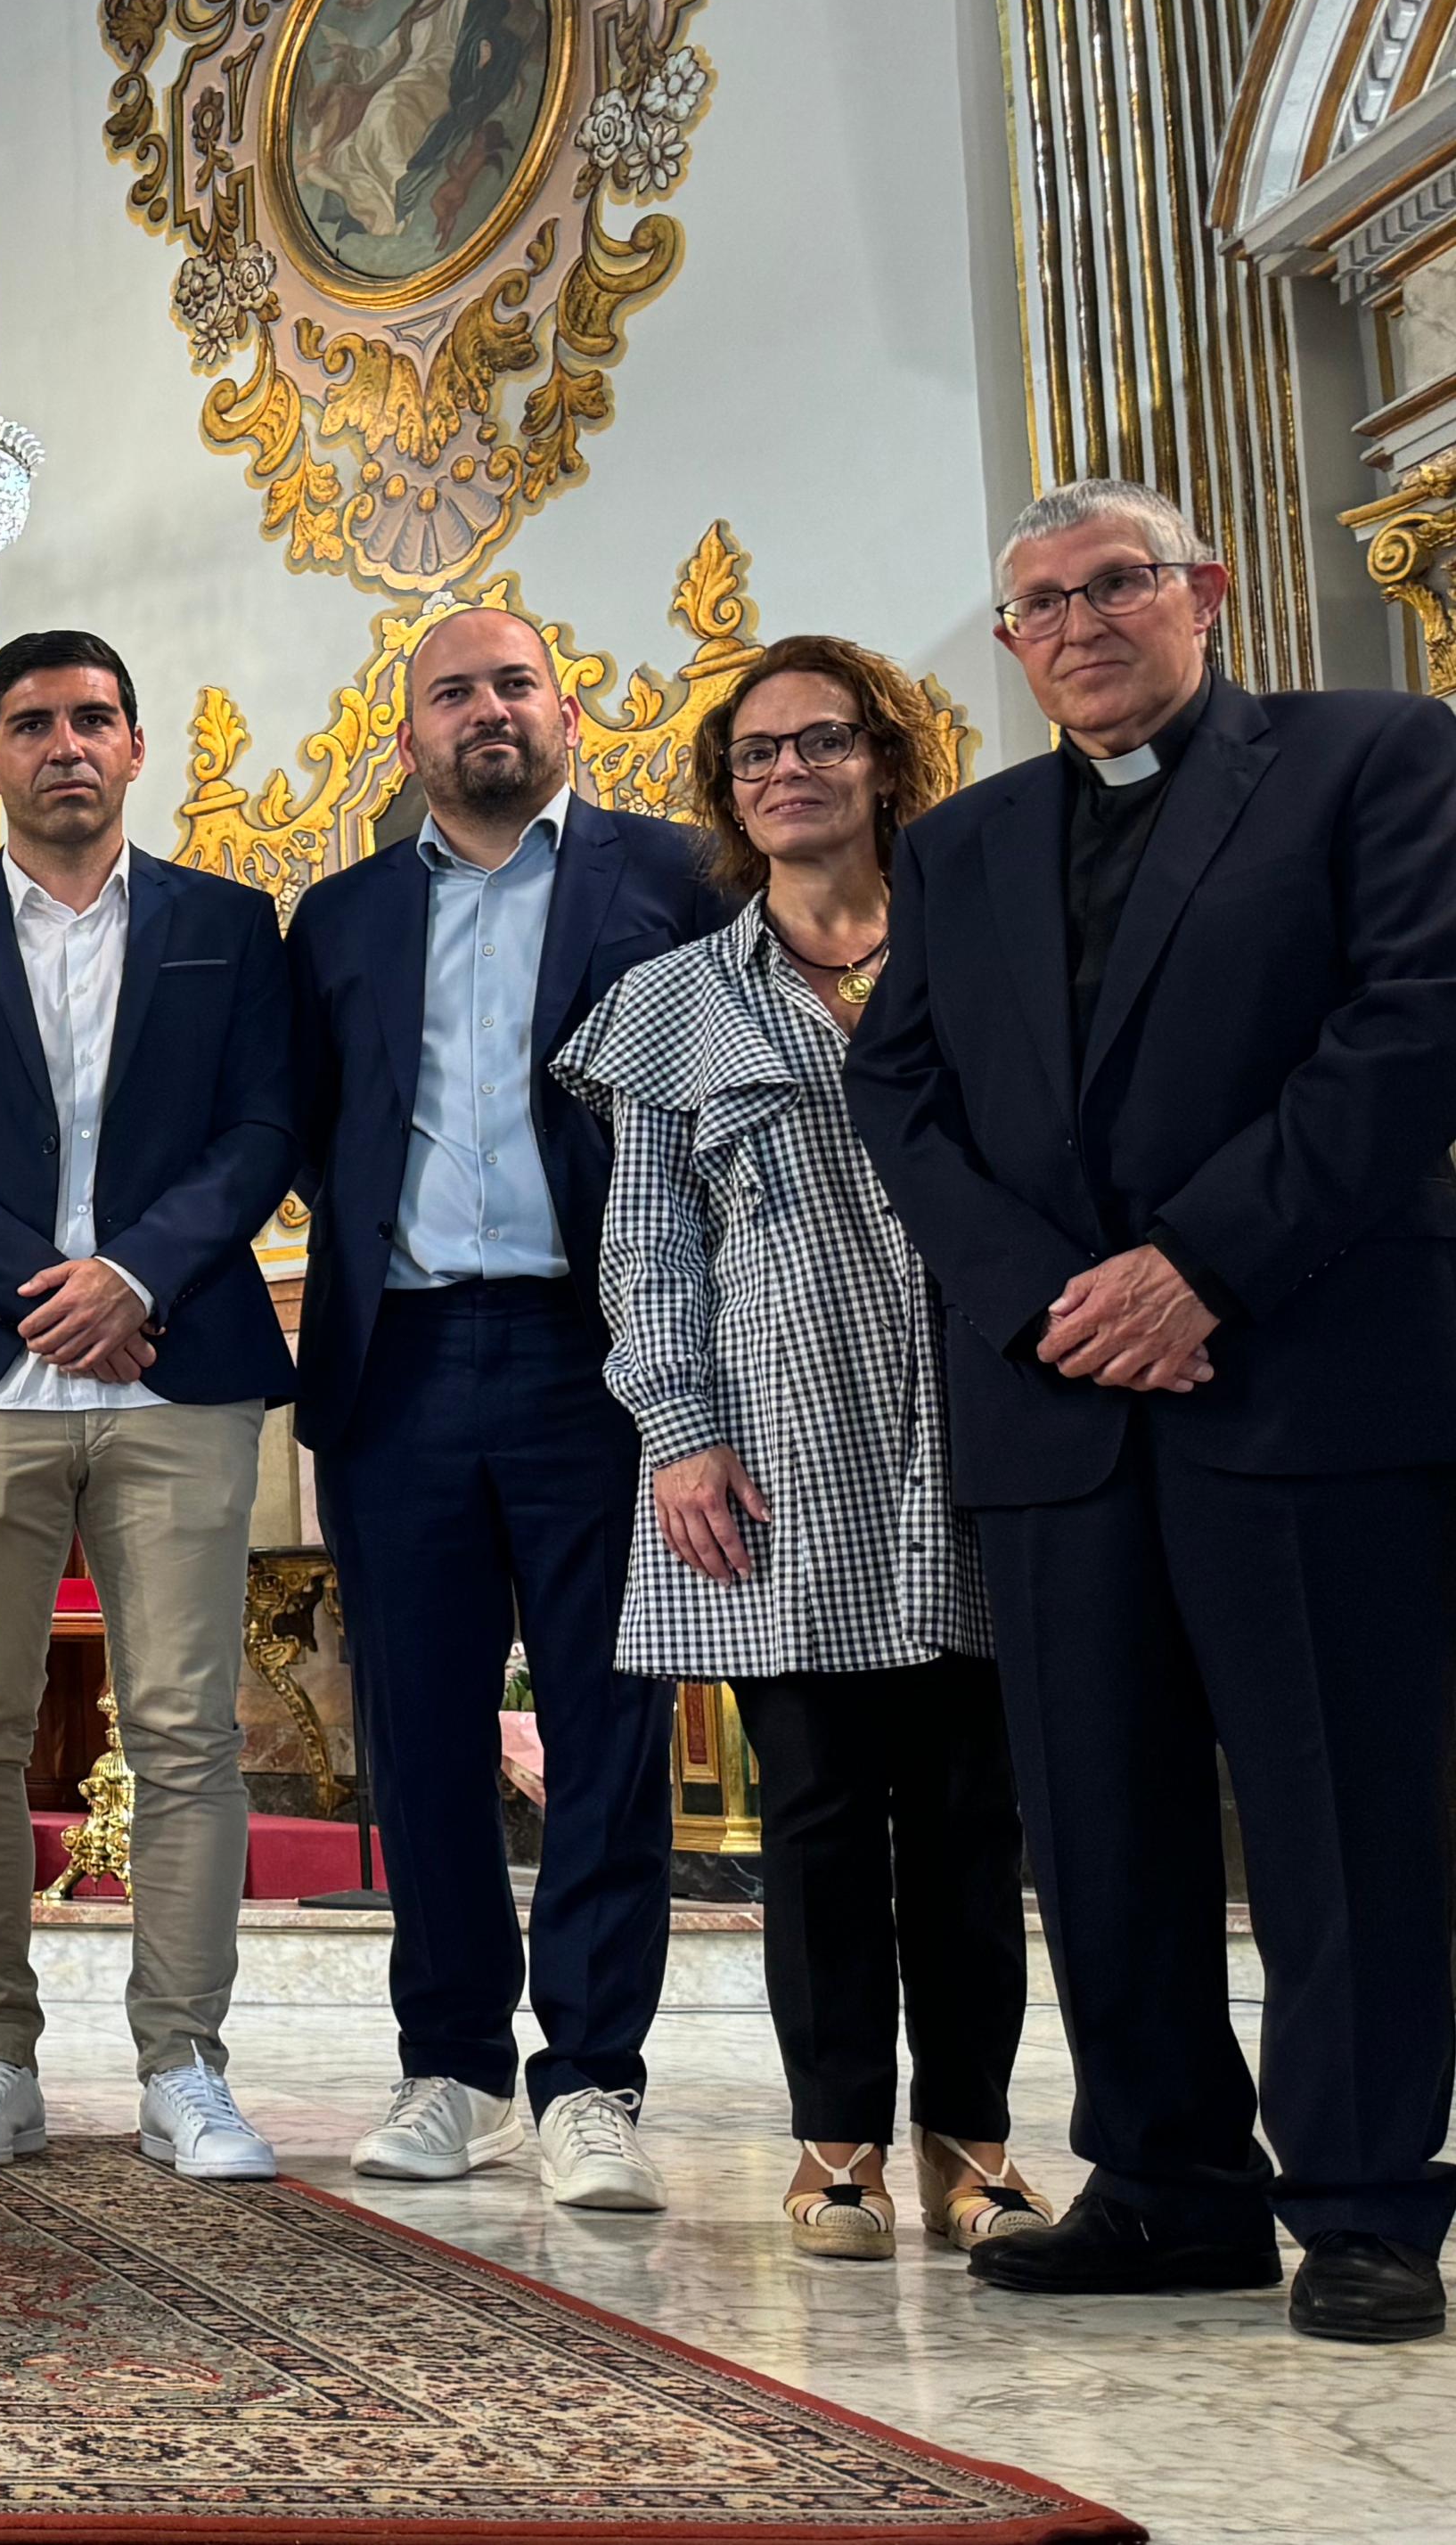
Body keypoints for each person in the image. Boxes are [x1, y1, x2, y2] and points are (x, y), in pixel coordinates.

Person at [849, 479, 1456, 2345]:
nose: (1078, 624)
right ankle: (1167, 2183)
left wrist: (1200, 1263)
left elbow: (1414, 1022)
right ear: (1012, 648)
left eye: (1113, 584)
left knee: (1339, 1813)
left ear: (1202, 590)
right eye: (1037, 605)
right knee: (1097, 1822)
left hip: (1303, 1375)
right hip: (1057, 1406)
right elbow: (901, 1096)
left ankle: (1362, 2203)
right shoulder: (961, 842)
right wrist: (1049, 1294)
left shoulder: (1375, 757)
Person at [553, 634, 1048, 2263]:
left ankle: (974, 2139)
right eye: (756, 754)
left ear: (885, 759)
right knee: (824, 1809)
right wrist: (681, 1433)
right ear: (726, 793)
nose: (789, 772)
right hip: (784, 1446)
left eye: (822, 741)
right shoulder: (673, 1001)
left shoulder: (992, 955)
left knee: (976, 1808)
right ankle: (835, 2140)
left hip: (983, 1419)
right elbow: (647, 1243)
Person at [0, 633, 296, 2185]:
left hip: (181, 1369)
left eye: (92, 719)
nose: (65, 746)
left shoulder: (232, 927)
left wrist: (139, 1276)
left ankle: (185, 2064)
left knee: (186, 1729)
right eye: (31, 724)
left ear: (135, 744)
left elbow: (264, 1130)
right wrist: (55, 1281)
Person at [287, 603, 716, 2210]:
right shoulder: (335, 919)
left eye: (514, 683)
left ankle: (593, 2077)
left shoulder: (672, 881)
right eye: (452, 692)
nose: (488, 712)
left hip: (601, 1351)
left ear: (566, 712)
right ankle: (453, 2067)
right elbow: (323, 1137)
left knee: (611, 1720)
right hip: (398, 1361)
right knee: (420, 1726)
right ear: (407, 738)